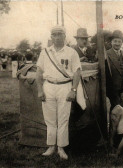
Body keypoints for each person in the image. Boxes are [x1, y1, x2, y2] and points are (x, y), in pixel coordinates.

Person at [36, 25, 85, 160]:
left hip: (65, 87)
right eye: (54, 34)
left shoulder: (71, 52)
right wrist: (40, 90)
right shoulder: (45, 52)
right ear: (51, 37)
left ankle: (61, 148)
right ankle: (51, 146)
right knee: (50, 119)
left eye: (60, 34)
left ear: (65, 36)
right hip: (49, 86)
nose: (57, 37)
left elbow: (77, 72)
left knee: (63, 119)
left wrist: (73, 90)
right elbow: (39, 72)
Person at [106, 30, 123, 111]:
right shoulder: (106, 54)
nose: (117, 43)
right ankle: (113, 124)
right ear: (111, 42)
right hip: (113, 88)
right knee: (115, 108)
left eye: (119, 41)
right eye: (115, 41)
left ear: (122, 43)